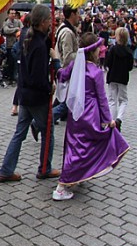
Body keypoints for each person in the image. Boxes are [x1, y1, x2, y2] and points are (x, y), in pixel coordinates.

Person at [53, 34, 131, 200]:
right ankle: (61, 186)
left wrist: (56, 64)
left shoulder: (75, 65)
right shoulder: (95, 72)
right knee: (86, 147)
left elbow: (61, 75)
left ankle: (79, 175)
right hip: (90, 114)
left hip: (75, 114)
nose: (100, 50)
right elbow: (102, 98)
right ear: (92, 51)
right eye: (98, 48)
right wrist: (108, 120)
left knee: (76, 145)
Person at [0, 5, 61, 183]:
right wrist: (49, 86)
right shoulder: (38, 45)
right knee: (47, 132)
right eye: (49, 20)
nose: (51, 22)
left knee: (19, 133)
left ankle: (6, 169)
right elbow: (37, 77)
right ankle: (45, 168)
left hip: (25, 93)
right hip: (36, 96)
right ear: (42, 22)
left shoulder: (28, 37)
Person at [104, 27, 133, 130]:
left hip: (112, 76)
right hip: (123, 78)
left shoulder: (113, 49)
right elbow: (130, 67)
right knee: (123, 100)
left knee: (112, 100)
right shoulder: (129, 52)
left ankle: (112, 121)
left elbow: (108, 63)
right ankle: (119, 119)